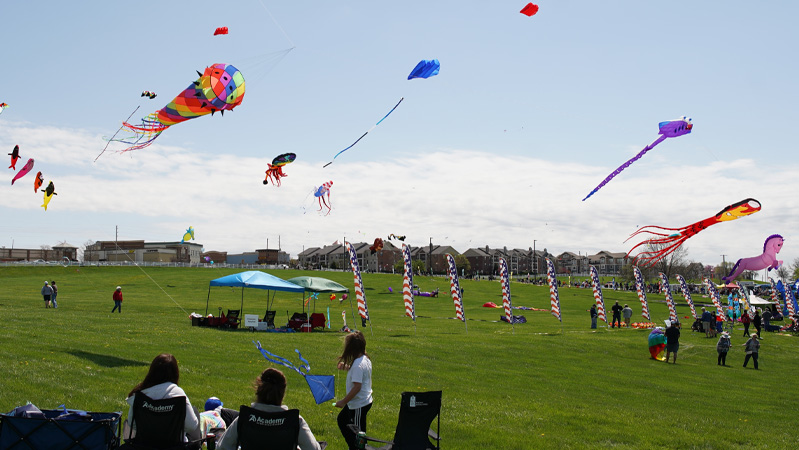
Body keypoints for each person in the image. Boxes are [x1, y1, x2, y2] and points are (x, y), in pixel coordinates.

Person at [218, 368, 322, 450]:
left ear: (258, 390)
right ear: (283, 393)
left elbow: (222, 447)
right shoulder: (295, 421)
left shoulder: (245, 418)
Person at [125, 353, 200, 442]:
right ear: (176, 373)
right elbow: (191, 426)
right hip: (175, 446)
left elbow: (132, 423)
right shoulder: (178, 394)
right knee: (194, 411)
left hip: (145, 445)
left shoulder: (141, 395)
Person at [335, 331, 373, 450]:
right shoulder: (364, 359)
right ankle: (354, 447)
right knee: (342, 420)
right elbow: (359, 373)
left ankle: (358, 448)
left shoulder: (358, 365)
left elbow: (357, 387)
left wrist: (343, 401)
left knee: (358, 433)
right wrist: (346, 367)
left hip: (359, 404)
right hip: (360, 402)